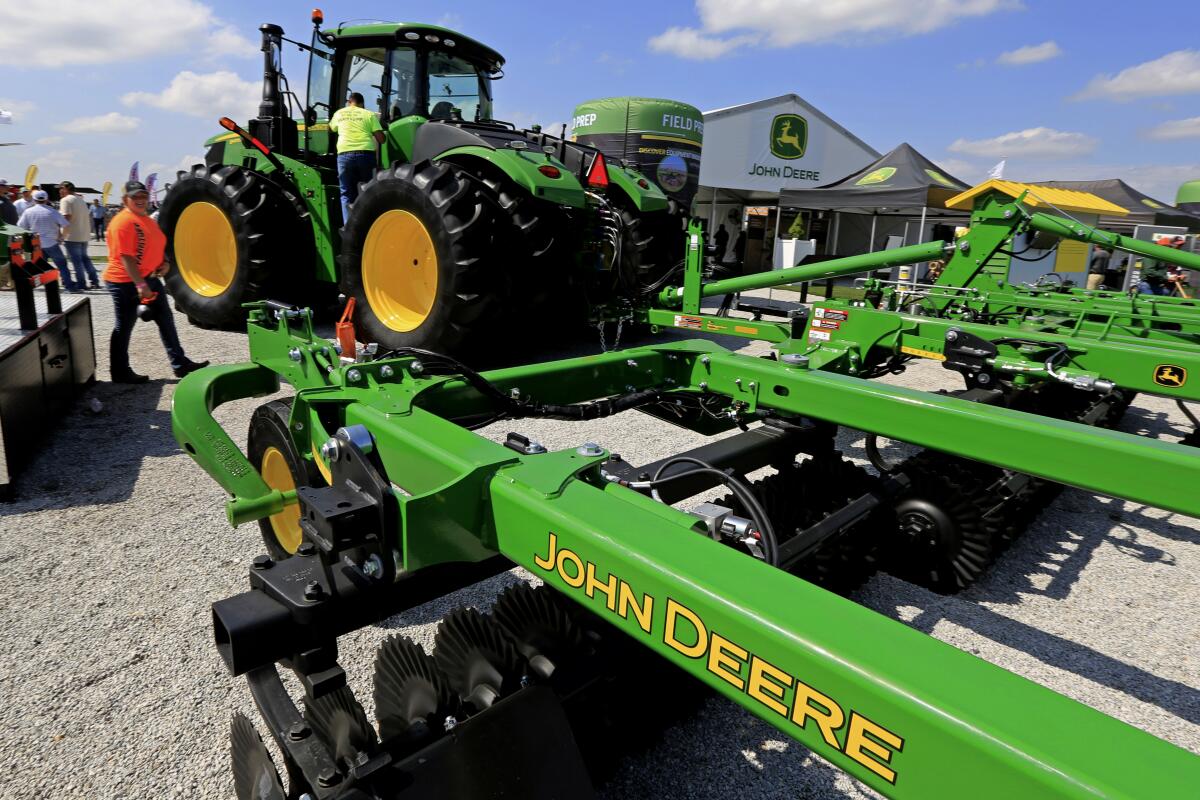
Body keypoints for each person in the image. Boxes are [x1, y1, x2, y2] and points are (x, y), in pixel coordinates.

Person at [104, 181, 208, 383]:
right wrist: (140, 285)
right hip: (126, 282)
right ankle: (119, 371)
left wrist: (165, 263)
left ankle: (180, 364)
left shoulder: (147, 220)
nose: (140, 200)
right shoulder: (123, 222)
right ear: (126, 200)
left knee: (166, 320)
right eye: (135, 197)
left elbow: (158, 245)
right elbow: (126, 258)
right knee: (124, 326)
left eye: (143, 195)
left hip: (150, 278)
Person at [328, 91, 384, 222]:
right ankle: (369, 224)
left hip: (344, 156)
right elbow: (381, 139)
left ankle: (348, 227)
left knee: (346, 193)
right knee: (369, 191)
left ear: (349, 102)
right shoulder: (369, 114)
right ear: (362, 104)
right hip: (365, 155)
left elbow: (331, 129)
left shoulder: (339, 113)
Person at [16, 189, 77, 291]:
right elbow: (66, 225)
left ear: (34, 199)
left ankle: (39, 284)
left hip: (36, 244)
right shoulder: (52, 211)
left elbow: (20, 226)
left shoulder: (28, 211)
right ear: (46, 199)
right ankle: (69, 286)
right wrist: (62, 237)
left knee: (38, 266)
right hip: (52, 242)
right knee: (62, 264)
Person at [58, 181, 100, 290]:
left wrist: (61, 234)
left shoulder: (65, 200)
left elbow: (66, 217)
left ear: (65, 189)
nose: (59, 191)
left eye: (61, 189)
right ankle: (94, 280)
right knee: (85, 259)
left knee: (77, 262)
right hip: (83, 235)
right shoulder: (81, 200)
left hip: (72, 236)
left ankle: (81, 284)